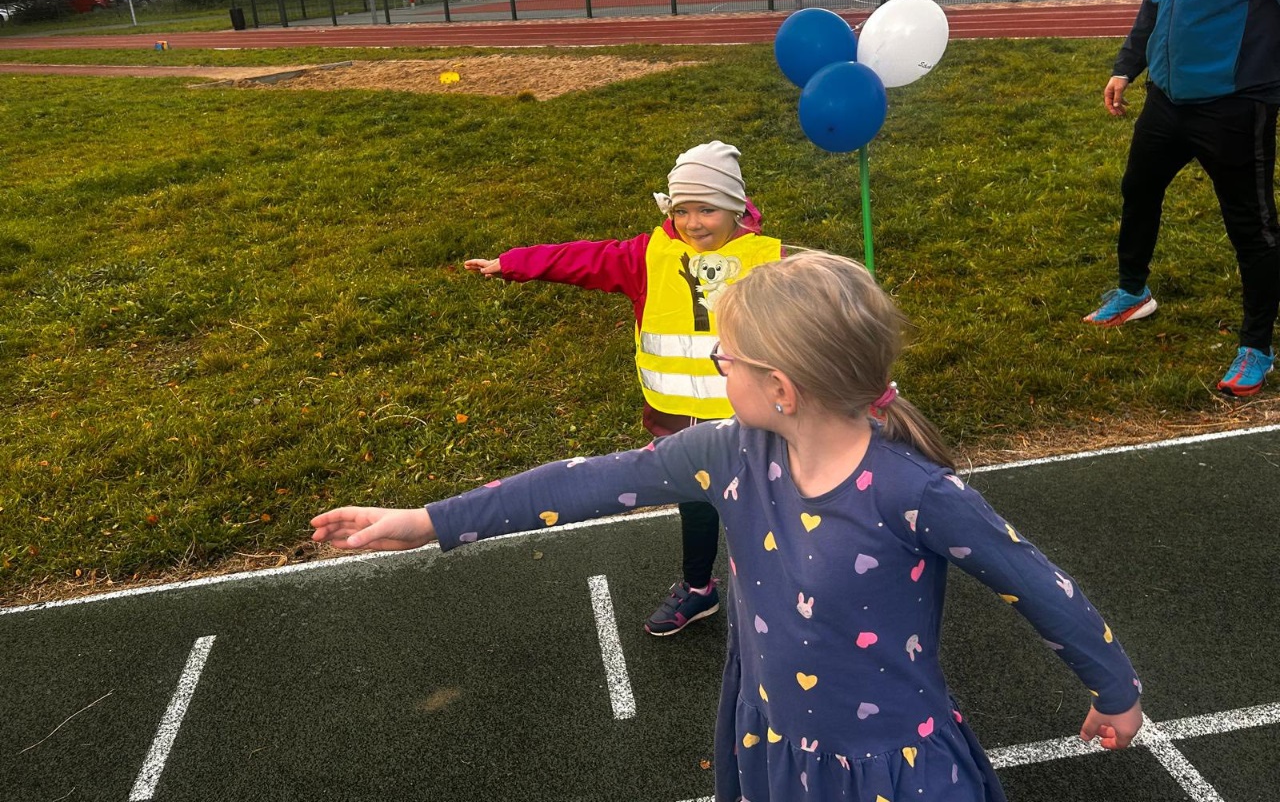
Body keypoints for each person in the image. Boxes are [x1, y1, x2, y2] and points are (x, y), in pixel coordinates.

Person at [314, 251, 1144, 802]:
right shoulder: (729, 453)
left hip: (888, 765)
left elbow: (1038, 584)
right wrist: (430, 521)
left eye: (726, 356)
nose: (717, 366)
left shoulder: (915, 493)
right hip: (773, 732)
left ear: (781, 387)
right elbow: (587, 481)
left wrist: (1116, 693)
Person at [463, 141, 784, 636]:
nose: (694, 223)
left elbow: (822, 310)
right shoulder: (646, 256)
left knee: (768, 504)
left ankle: (784, 590)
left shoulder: (772, 260)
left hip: (755, 419)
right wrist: (514, 263)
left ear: (735, 207)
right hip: (680, 424)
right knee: (697, 506)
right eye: (681, 211)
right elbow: (582, 259)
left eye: (707, 210)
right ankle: (699, 588)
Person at [1087, 0, 1280, 397]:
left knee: (1252, 227)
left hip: (1236, 103)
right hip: (1167, 97)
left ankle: (1257, 347)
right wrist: (1128, 66)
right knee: (1138, 189)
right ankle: (1133, 292)